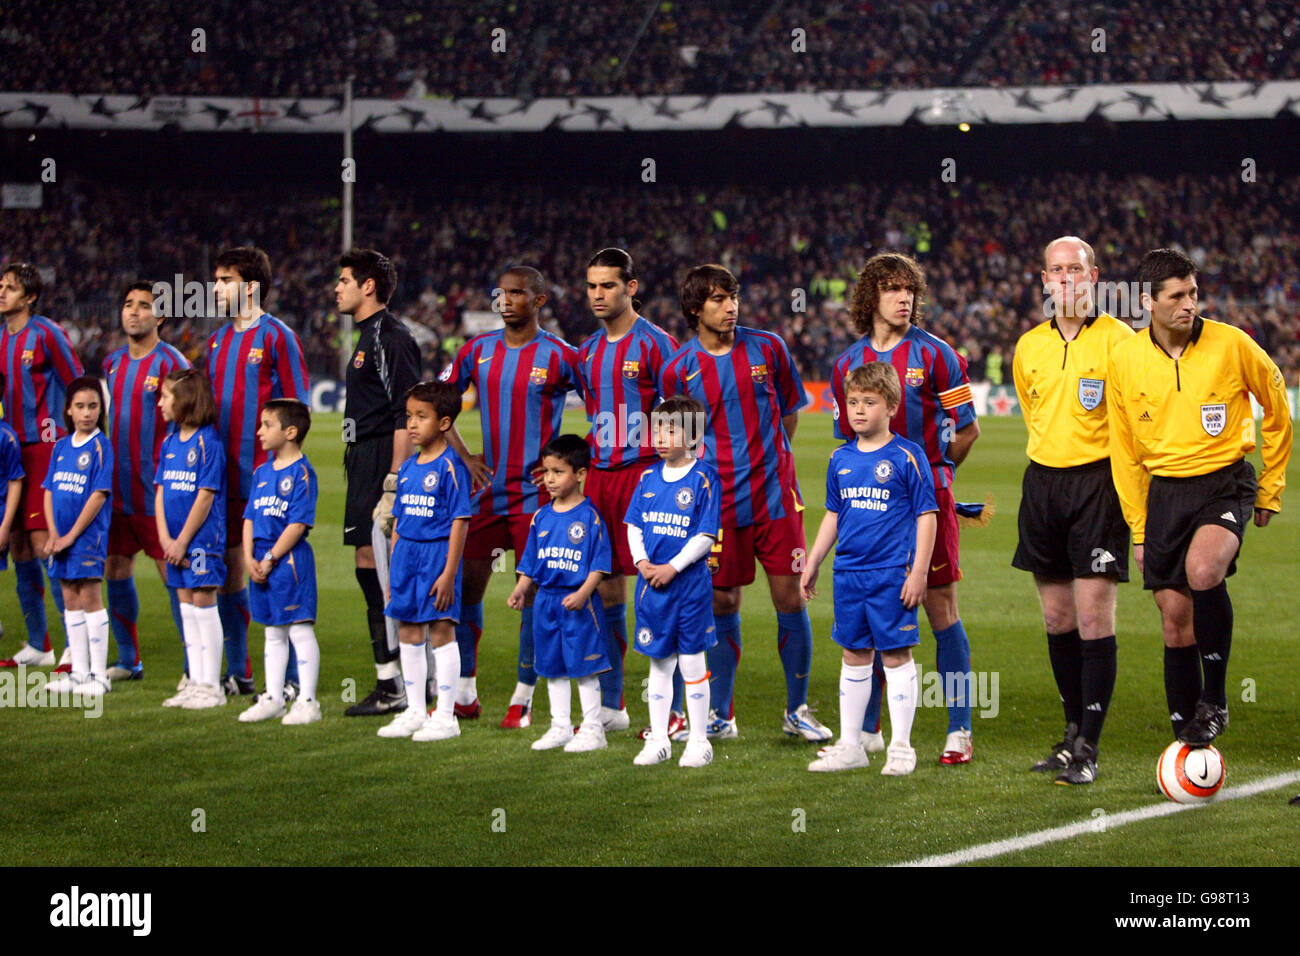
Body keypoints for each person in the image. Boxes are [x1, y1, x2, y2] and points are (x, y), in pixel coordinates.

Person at [1108, 248, 1292, 746]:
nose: (1189, 304)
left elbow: (1278, 410)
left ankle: (1216, 701)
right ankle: (1186, 741)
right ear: (1148, 301)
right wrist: (1140, 529)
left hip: (1223, 482)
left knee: (1204, 571)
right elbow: (1123, 451)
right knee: (1174, 621)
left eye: (1193, 292)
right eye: (1177, 296)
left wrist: (1270, 487)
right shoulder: (1124, 359)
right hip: (1165, 493)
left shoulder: (1232, 344)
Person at [659, 264, 829, 742]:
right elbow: (682, 438)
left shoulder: (769, 347)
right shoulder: (679, 367)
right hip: (718, 507)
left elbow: (789, 414)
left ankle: (797, 710)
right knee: (722, 601)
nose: (730, 306)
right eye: (717, 299)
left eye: (732, 296)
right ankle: (720, 714)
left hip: (776, 500)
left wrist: (772, 463)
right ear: (695, 308)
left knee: (790, 598)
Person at [829, 252, 980, 764]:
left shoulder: (938, 355)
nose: (905, 298)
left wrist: (937, 479)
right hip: (866, 506)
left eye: (910, 289)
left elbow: (968, 427)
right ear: (871, 295)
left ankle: (958, 728)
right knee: (873, 610)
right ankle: (868, 730)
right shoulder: (845, 365)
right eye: (893, 289)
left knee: (939, 609)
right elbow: (843, 440)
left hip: (924, 502)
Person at [1011, 237, 1134, 785]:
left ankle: (1090, 745)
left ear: (1094, 276)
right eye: (1055, 270)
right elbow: (1032, 412)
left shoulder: (1122, 341)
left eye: (1074, 270)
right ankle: (1069, 735)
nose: (1064, 279)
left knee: (1092, 619)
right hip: (1042, 487)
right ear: (1044, 280)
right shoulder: (1028, 346)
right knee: (1057, 619)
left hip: (1099, 487)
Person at [441, 265, 584, 729]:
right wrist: (464, 457)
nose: (506, 301)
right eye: (501, 292)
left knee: (536, 599)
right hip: (484, 493)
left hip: (536, 501)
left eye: (518, 293)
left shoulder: (562, 356)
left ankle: (523, 699)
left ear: (540, 300)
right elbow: (435, 403)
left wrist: (565, 469)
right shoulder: (476, 351)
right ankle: (464, 692)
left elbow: (603, 406)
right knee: (466, 590)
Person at [801, 363, 938, 775]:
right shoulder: (839, 458)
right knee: (854, 654)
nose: (858, 410)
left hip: (891, 574)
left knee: (896, 655)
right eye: (852, 402)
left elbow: (927, 515)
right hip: (849, 575)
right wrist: (814, 561)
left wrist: (919, 573)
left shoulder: (907, 456)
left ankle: (900, 747)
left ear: (892, 405)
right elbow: (833, 514)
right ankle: (851, 744)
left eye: (869, 402)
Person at [578, 248, 680, 735]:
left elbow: (682, 416)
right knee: (604, 585)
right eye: (592, 286)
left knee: (659, 587)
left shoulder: (658, 345)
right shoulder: (588, 351)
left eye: (608, 286)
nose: (599, 295)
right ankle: (614, 705)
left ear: (631, 288)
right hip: (598, 478)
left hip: (644, 477)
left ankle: (675, 709)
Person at [207, 247, 310, 697]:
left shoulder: (277, 337)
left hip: (266, 478)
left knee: (274, 571)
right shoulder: (217, 341)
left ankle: (287, 680)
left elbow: (297, 408)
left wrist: (282, 471)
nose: (215, 288)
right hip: (222, 476)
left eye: (224, 279)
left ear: (249, 287)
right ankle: (240, 671)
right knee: (232, 570)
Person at [334, 249, 422, 718]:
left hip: (378, 461)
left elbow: (405, 414)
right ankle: (401, 677)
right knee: (371, 565)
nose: (337, 287)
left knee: (384, 566)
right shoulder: (369, 335)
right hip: (363, 458)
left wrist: (393, 480)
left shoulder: (391, 336)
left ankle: (398, 683)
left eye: (345, 279)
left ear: (368, 286)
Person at [102, 281, 191, 683]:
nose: (133, 312)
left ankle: (197, 667)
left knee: (172, 574)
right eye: (128, 304)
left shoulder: (171, 364)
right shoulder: (112, 363)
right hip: (118, 488)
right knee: (116, 568)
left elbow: (191, 425)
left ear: (160, 316)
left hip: (157, 492)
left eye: (143, 306)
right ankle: (128, 659)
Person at [624, 397, 720, 768]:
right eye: (657, 429)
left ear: (693, 436)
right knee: (659, 664)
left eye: (671, 429)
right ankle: (659, 739)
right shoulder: (647, 477)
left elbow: (705, 536)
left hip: (689, 589)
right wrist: (642, 562)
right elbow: (634, 525)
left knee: (693, 663)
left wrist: (672, 568)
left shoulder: (704, 478)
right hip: (651, 588)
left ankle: (699, 742)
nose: (660, 437)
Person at [376, 382, 471, 742]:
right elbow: (398, 521)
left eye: (422, 417)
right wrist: (393, 567)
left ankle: (445, 716)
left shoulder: (451, 467)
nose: (412, 424)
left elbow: (460, 521)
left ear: (444, 422)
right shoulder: (409, 466)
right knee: (409, 631)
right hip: (406, 557)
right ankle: (415, 710)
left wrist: (449, 573)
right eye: (409, 416)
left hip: (436, 556)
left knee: (441, 630)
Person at [0, 263, 83, 671]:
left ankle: (73, 644)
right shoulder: (0, 337)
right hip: (9, 453)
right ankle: (38, 645)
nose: (2, 293)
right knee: (17, 548)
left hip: (43, 449)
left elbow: (77, 383)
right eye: (1, 286)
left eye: (11, 288)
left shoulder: (47, 333)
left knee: (42, 543)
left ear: (30, 297)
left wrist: (75, 442)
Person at [508, 434, 612, 753]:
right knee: (552, 666)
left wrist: (583, 593)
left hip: (578, 602)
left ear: (580, 474)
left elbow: (600, 563)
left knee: (583, 666)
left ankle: (594, 729)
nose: (550, 479)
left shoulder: (589, 517)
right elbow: (530, 561)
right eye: (546, 472)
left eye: (558, 472)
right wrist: (521, 588)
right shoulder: (541, 517)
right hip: (546, 601)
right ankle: (560, 726)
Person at [238, 399, 322, 725]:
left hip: (289, 563)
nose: (259, 432)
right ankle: (273, 697)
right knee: (272, 632)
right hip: (260, 562)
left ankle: (308, 701)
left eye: (266, 425)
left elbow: (297, 524)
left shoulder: (302, 473)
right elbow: (249, 517)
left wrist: (270, 558)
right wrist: (249, 558)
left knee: (299, 630)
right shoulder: (261, 472)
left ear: (290, 431)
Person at [153, 369, 227, 710]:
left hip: (201, 542)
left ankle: (212, 686)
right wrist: (165, 538)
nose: (160, 403)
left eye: (166, 396)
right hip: (174, 542)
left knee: (203, 604)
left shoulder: (208, 442)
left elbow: (205, 496)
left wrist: (181, 540)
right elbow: (160, 491)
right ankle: (195, 682)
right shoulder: (169, 442)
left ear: (186, 400)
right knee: (186, 609)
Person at [41, 377, 114, 698]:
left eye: (93, 406)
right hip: (62, 540)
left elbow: (98, 494)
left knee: (89, 598)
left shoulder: (101, 446)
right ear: (68, 410)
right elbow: (48, 490)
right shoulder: (60, 446)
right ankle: (79, 673)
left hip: (86, 538)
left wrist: (70, 535)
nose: (87, 413)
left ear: (101, 409)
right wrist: (54, 534)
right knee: (69, 598)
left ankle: (100, 676)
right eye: (80, 407)